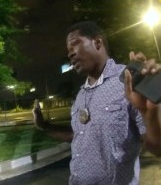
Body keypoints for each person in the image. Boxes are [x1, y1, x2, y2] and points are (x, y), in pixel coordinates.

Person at [32, 21, 161, 185]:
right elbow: (80, 136)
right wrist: (44, 126)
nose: (70, 54)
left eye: (75, 44)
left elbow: (157, 148)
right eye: (68, 50)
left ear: (97, 42)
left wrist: (149, 113)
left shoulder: (129, 82)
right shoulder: (80, 95)